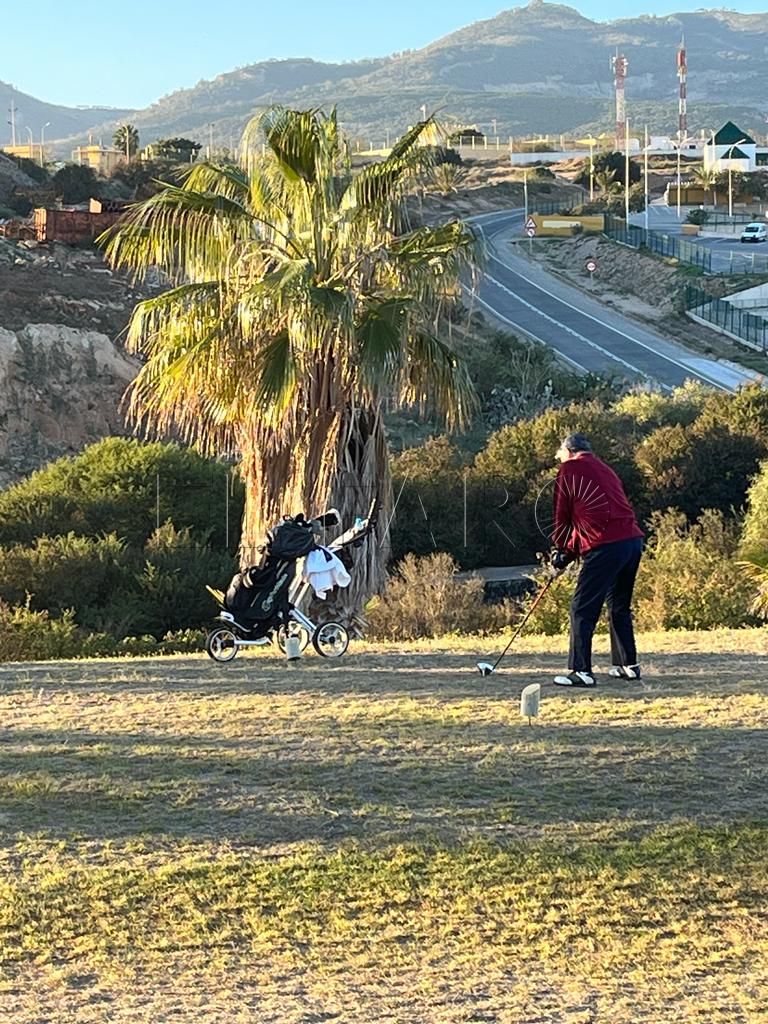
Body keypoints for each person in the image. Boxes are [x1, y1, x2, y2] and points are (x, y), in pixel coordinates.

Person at [549, 432, 644, 687]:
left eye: (560, 453)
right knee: (619, 605)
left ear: (569, 451)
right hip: (632, 541)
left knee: (582, 608)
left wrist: (560, 551)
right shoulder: (605, 469)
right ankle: (628, 666)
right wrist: (568, 554)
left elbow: (563, 516)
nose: (559, 457)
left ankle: (581, 672)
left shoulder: (569, 469)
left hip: (606, 545)